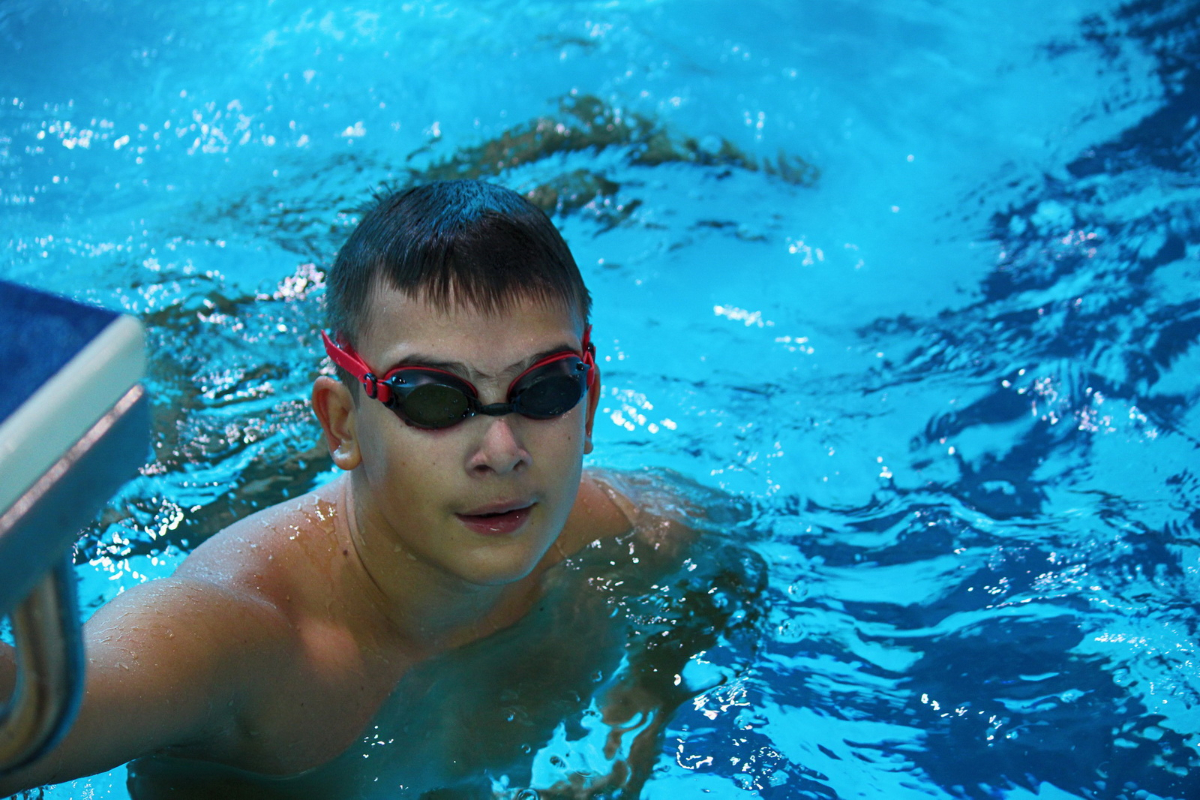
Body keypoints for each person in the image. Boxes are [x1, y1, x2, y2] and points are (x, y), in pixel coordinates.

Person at [0, 180, 703, 798]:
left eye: (546, 388)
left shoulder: (630, 527)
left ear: (590, 403)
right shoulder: (245, 636)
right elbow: (38, 711)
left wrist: (640, 714)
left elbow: (719, 557)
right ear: (341, 422)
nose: (503, 452)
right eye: (433, 398)